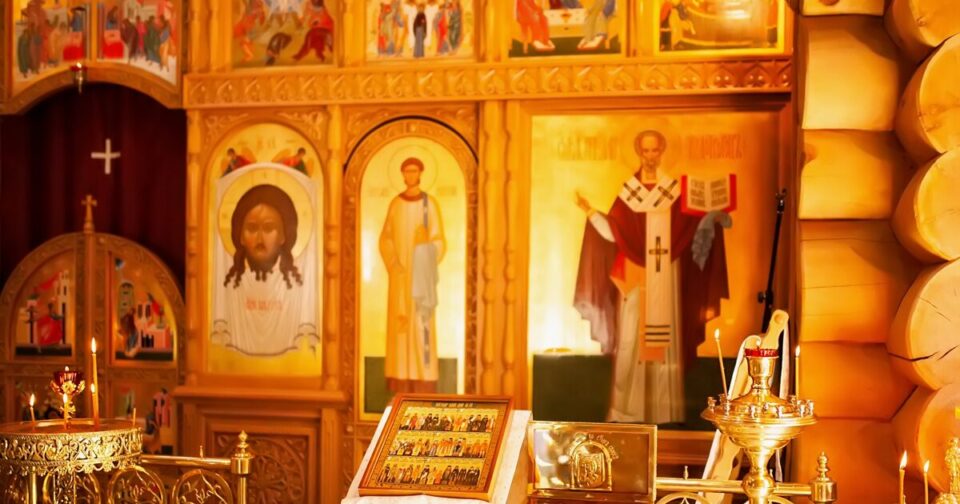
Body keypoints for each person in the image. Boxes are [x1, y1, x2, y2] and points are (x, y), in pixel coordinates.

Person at [574, 130, 729, 424]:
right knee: (630, 340)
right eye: (645, 150)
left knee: (664, 343)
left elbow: (691, 231)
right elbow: (615, 233)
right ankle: (626, 411)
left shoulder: (673, 192)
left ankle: (664, 411)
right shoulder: (629, 193)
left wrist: (711, 215)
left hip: (665, 276)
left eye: (655, 150)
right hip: (634, 278)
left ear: (661, 152)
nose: (650, 156)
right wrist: (591, 212)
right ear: (638, 152)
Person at [213, 183, 319, 355]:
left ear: (283, 235)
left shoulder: (298, 290)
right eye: (252, 228)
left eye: (269, 228)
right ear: (240, 236)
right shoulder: (229, 288)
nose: (260, 238)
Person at [379, 157, 446, 392]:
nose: (410, 175)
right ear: (402, 175)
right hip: (400, 277)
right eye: (407, 171)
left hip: (420, 278)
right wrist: (393, 263)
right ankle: (399, 380)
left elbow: (439, 241)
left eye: (414, 171)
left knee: (420, 326)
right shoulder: (396, 205)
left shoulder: (430, 205)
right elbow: (386, 238)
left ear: (420, 174)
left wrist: (426, 246)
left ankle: (423, 381)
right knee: (400, 330)